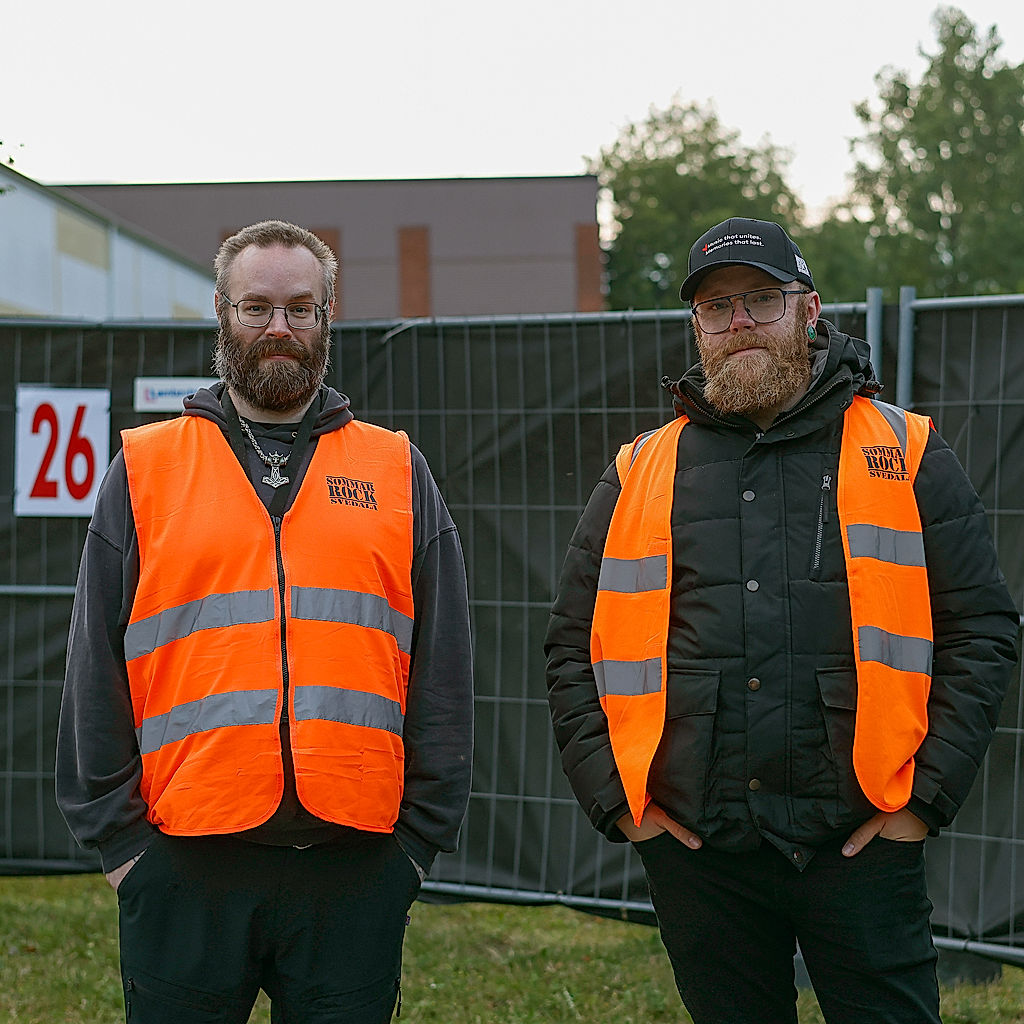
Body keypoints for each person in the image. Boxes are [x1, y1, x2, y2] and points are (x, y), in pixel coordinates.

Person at [545, 217, 1018, 1024]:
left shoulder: (905, 451)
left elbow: (982, 631)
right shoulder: (640, 469)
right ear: (697, 329)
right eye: (717, 308)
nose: (738, 324)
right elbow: (568, 648)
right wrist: (623, 806)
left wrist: (922, 804)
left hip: (863, 842)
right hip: (702, 853)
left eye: (761, 300)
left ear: (809, 310)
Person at [56, 220, 474, 1024]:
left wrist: (416, 846)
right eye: (256, 308)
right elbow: (91, 667)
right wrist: (124, 850)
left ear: (327, 317)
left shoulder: (395, 470)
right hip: (183, 867)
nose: (278, 328)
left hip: (355, 870)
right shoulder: (146, 467)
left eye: (299, 309)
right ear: (222, 313)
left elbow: (444, 665)